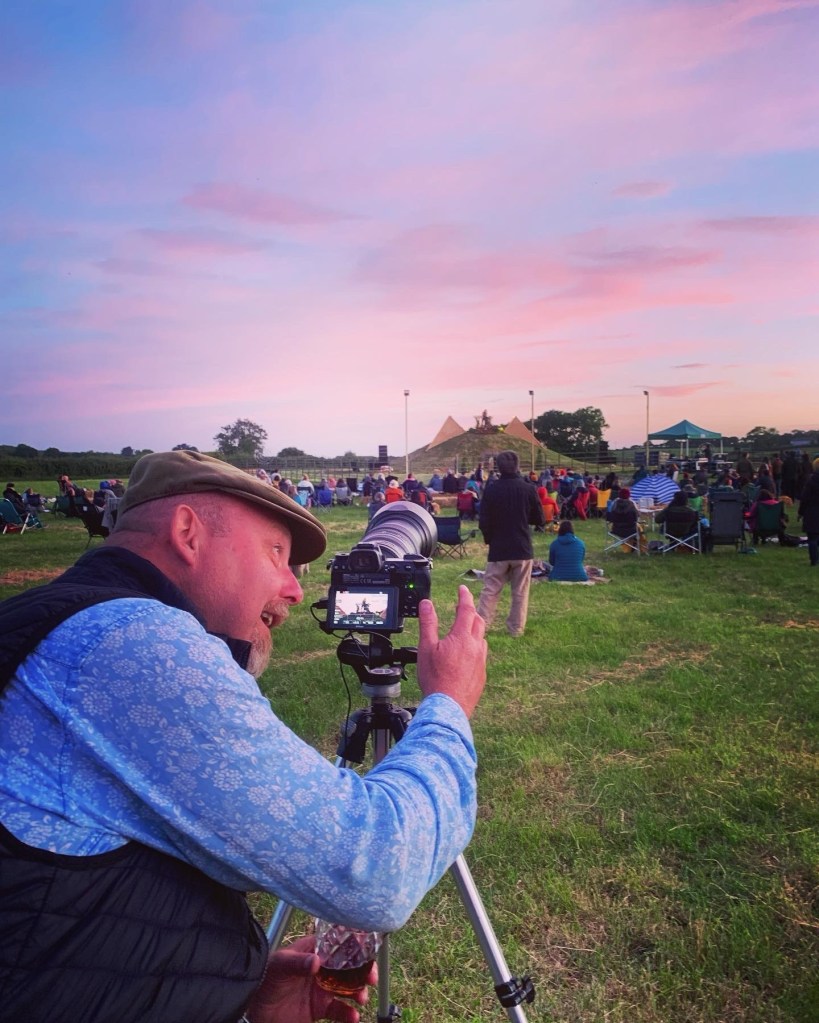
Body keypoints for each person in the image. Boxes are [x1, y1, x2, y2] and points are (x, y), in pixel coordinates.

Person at [0, 450, 487, 1023]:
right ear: (188, 533)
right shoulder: (131, 643)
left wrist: (237, 991)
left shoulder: (59, 623)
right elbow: (376, 867)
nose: (295, 589)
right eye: (276, 553)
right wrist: (449, 702)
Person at [476, 450, 545, 637]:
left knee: (490, 590)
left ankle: (480, 628)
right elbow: (539, 519)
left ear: (498, 467)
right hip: (522, 547)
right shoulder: (528, 489)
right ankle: (516, 629)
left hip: (498, 548)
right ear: (518, 466)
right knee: (520, 592)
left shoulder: (492, 489)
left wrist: (489, 539)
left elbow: (484, 521)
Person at [797, 456, 819, 567]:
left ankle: (814, 560)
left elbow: (804, 498)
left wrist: (800, 512)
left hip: (812, 512)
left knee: (812, 538)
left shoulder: (811, 481)